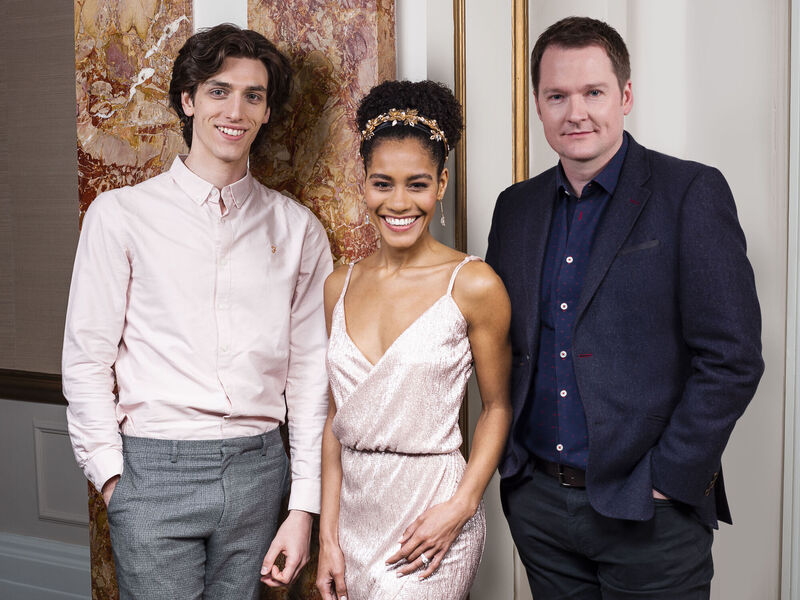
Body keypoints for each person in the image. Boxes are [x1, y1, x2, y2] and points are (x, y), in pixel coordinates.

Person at [486, 16, 764, 600]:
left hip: (650, 515)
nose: (575, 112)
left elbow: (733, 357)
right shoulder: (515, 208)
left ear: (626, 96)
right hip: (539, 506)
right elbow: (506, 349)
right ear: (538, 104)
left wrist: (669, 478)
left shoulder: (690, 192)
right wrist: (513, 474)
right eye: (557, 96)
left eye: (593, 92)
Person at [62, 24, 332, 600]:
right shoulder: (119, 216)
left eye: (253, 95)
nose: (235, 109)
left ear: (265, 113)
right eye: (218, 90)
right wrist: (114, 480)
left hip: (261, 470)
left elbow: (310, 376)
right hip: (153, 469)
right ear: (187, 100)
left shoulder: (299, 229)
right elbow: (87, 359)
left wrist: (303, 506)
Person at [315, 80, 512, 600]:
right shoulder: (339, 285)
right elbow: (336, 422)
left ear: (441, 184)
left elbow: (496, 408)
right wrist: (327, 536)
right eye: (383, 183)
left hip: (432, 516)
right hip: (354, 519)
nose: (398, 202)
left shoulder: (474, 284)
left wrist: (463, 505)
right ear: (363, 184)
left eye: (417, 184)